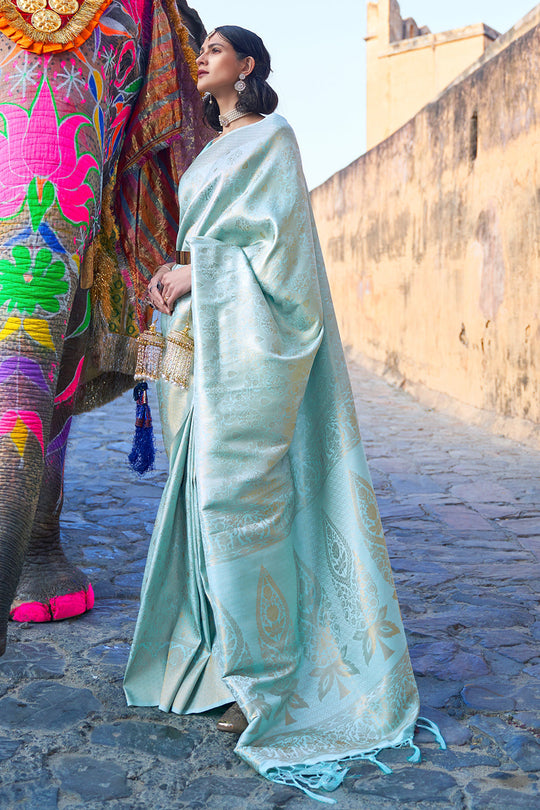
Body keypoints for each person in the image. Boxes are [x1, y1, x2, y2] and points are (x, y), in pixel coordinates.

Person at [123, 25, 444, 803]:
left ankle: (265, 684)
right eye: (205, 51)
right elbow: (207, 242)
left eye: (218, 51)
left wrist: (204, 275)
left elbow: (286, 264)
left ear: (250, 66)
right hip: (201, 349)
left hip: (249, 348)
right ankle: (215, 653)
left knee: (242, 504)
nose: (203, 58)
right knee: (201, 504)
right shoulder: (209, 149)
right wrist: (175, 274)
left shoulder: (273, 139)